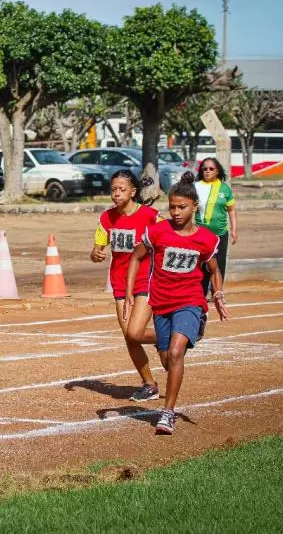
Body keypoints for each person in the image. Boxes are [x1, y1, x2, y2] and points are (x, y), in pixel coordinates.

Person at [124, 172, 229, 435]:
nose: (176, 212)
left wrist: (217, 294)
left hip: (190, 301)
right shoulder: (158, 232)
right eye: (172, 207)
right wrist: (128, 292)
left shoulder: (206, 239)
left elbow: (214, 269)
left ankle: (167, 412)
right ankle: (181, 352)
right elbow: (135, 258)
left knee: (175, 352)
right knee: (166, 359)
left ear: (195, 207)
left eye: (182, 207)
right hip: (161, 302)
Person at [90, 170, 160, 402]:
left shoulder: (150, 216)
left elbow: (168, 239)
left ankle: (170, 337)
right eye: (113, 189)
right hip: (120, 283)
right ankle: (149, 384)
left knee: (135, 332)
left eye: (122, 189)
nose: (116, 194)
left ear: (133, 192)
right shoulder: (106, 218)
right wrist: (96, 253)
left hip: (146, 279)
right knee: (130, 337)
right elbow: (98, 248)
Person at [195, 158, 237, 297]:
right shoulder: (196, 187)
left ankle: (217, 291)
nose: (207, 171)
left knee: (218, 264)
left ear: (217, 171)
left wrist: (234, 231)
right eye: (205, 169)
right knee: (201, 264)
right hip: (200, 234)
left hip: (220, 234)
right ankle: (200, 293)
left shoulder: (224, 188)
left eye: (211, 169)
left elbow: (231, 210)